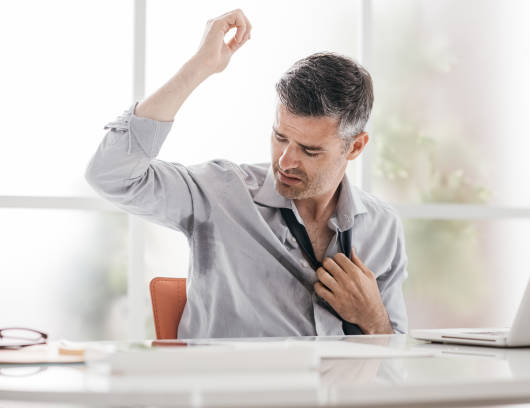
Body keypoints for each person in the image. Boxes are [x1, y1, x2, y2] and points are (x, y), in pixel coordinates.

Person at [86, 9, 408, 338]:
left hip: (339, 389)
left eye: (310, 150)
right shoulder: (219, 194)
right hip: (231, 388)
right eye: (280, 137)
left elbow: (399, 364)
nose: (285, 160)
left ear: (355, 148)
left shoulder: (382, 228)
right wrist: (200, 67)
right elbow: (111, 174)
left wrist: (373, 318)